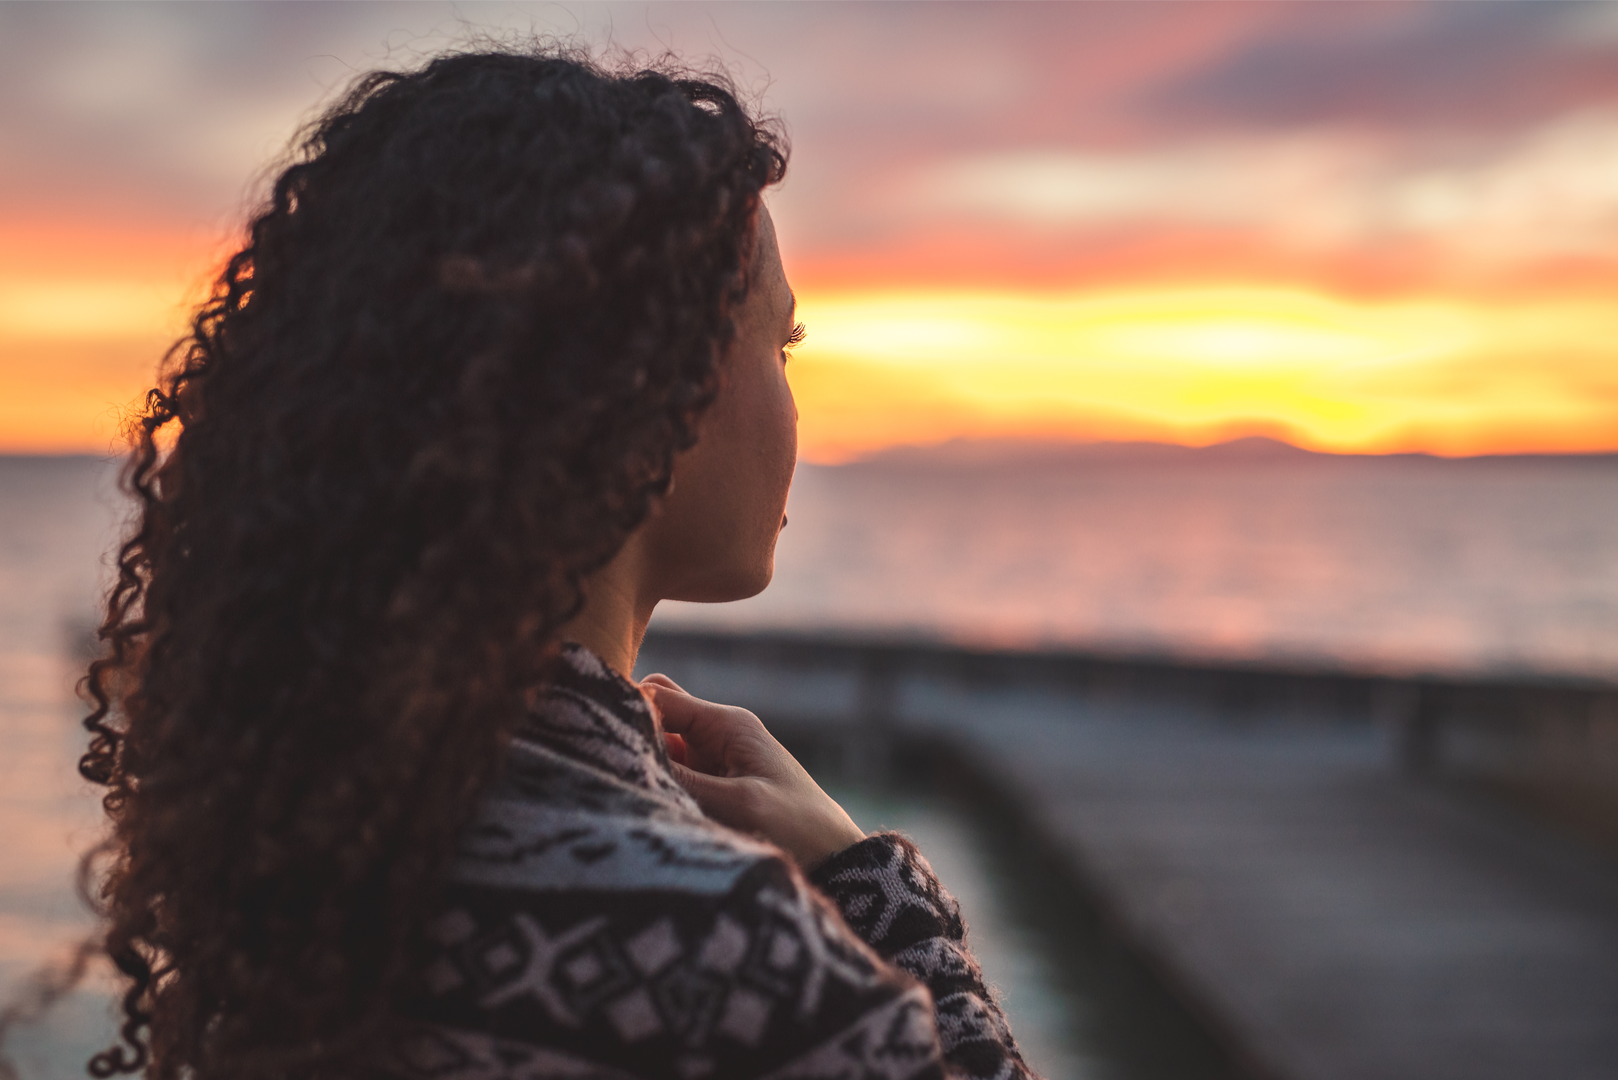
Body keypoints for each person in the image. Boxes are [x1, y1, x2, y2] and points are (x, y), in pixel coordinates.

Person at [66, 47, 1035, 1080]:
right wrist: (869, 886)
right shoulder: (740, 965)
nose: (797, 406)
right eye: (781, 345)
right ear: (648, 384)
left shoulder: (308, 845)